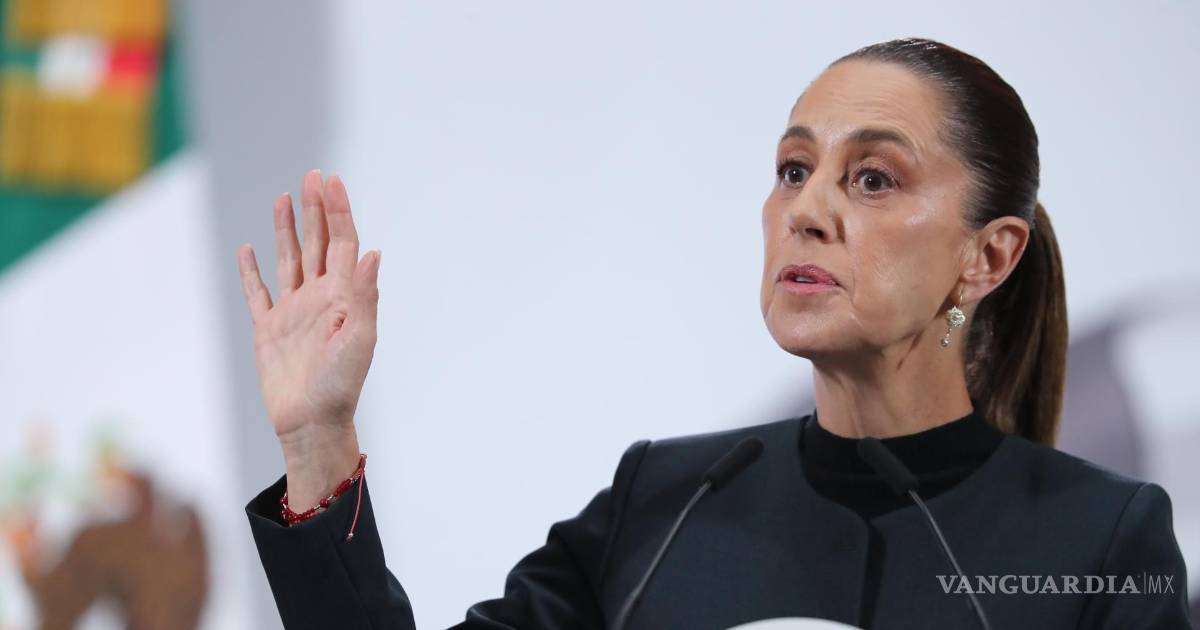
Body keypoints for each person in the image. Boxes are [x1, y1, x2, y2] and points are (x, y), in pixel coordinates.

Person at [236, 37, 1191, 629]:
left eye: (873, 179)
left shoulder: (1101, 538)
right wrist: (317, 437)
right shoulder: (663, 504)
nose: (805, 211)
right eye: (793, 171)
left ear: (988, 257)